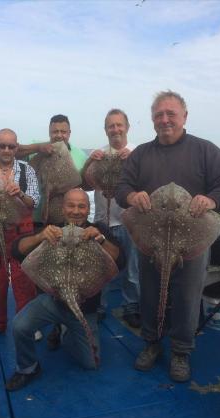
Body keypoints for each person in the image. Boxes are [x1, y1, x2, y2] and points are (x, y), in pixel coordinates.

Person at [115, 91, 220, 382]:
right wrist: (131, 195)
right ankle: (151, 342)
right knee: (149, 292)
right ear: (152, 120)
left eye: (171, 114)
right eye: (159, 115)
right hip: (150, 239)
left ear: (184, 116)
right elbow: (121, 188)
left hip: (193, 240)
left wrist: (212, 200)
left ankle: (181, 351)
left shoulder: (206, 151)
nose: (165, 120)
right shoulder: (141, 155)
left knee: (188, 297)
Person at [5, 188, 124, 391]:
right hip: (52, 299)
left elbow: (121, 260)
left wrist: (101, 240)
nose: (76, 211)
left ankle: (64, 331)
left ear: (88, 210)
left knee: (90, 364)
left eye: (81, 206)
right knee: (19, 326)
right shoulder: (51, 230)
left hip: (84, 306)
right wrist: (40, 237)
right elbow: (16, 250)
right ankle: (28, 368)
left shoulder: (98, 230)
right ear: (63, 208)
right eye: (71, 205)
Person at [0, 129, 40, 342]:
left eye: (11, 146)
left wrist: (19, 193)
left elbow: (34, 202)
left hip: (21, 233)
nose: (6, 150)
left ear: (16, 148)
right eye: (2, 145)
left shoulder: (26, 170)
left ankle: (28, 323)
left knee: (25, 279)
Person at [82, 109, 141, 328]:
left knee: (133, 269)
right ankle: (99, 306)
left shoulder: (139, 152)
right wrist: (89, 162)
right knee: (100, 267)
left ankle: (131, 307)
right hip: (102, 221)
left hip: (130, 222)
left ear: (127, 127)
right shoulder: (100, 154)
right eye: (110, 126)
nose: (115, 129)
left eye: (119, 125)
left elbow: (148, 182)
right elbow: (86, 184)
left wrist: (133, 160)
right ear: (105, 130)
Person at [16, 114, 87, 224]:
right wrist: (38, 148)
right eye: (55, 132)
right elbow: (13, 152)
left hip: (65, 219)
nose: (59, 135)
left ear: (69, 133)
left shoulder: (80, 155)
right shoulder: (38, 147)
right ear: (49, 132)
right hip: (36, 217)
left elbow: (87, 185)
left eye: (63, 132)